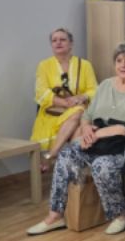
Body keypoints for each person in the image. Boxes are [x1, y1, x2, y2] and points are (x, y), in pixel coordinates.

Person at [27, 41, 125, 237]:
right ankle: (55, 215)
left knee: (102, 165)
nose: (122, 65)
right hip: (97, 138)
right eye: (119, 60)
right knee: (66, 155)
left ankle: (120, 215)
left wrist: (94, 135)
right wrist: (86, 128)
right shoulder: (105, 85)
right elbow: (88, 113)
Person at [30, 28, 98, 170]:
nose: (58, 43)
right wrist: (65, 102)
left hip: (77, 111)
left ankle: (54, 155)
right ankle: (71, 169)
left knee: (79, 113)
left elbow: (94, 90)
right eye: (54, 40)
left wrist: (82, 96)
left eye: (62, 39)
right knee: (79, 124)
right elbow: (40, 92)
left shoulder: (85, 65)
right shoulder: (44, 65)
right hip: (52, 113)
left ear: (71, 43)